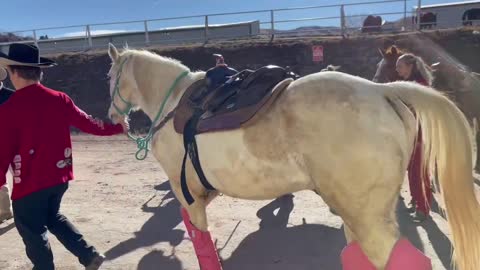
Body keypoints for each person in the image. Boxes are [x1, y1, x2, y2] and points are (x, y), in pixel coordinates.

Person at [0, 43, 128, 270]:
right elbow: (90, 124)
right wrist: (117, 128)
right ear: (39, 71)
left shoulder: (10, 109)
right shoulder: (60, 98)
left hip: (30, 183)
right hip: (59, 178)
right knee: (52, 216)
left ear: (15, 72)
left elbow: (3, 151)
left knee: (31, 228)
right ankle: (88, 255)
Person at [396, 53, 434, 222]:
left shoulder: (421, 86)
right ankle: (417, 201)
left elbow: (418, 112)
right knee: (412, 171)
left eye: (400, 66)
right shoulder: (413, 84)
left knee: (419, 172)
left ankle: (423, 208)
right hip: (413, 133)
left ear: (410, 66)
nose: (398, 71)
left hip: (422, 134)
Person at [0, 66, 14, 223]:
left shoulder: (13, 96)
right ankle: (4, 211)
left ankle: (22, 208)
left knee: (20, 175)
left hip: (15, 141)